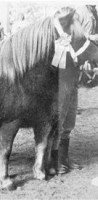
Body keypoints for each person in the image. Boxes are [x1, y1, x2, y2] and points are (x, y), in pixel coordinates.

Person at [57, 5, 98, 175]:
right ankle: (54, 160)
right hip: (63, 72)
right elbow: (66, 46)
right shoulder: (77, 14)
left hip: (75, 74)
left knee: (69, 121)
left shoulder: (91, 11)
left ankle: (64, 158)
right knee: (59, 119)